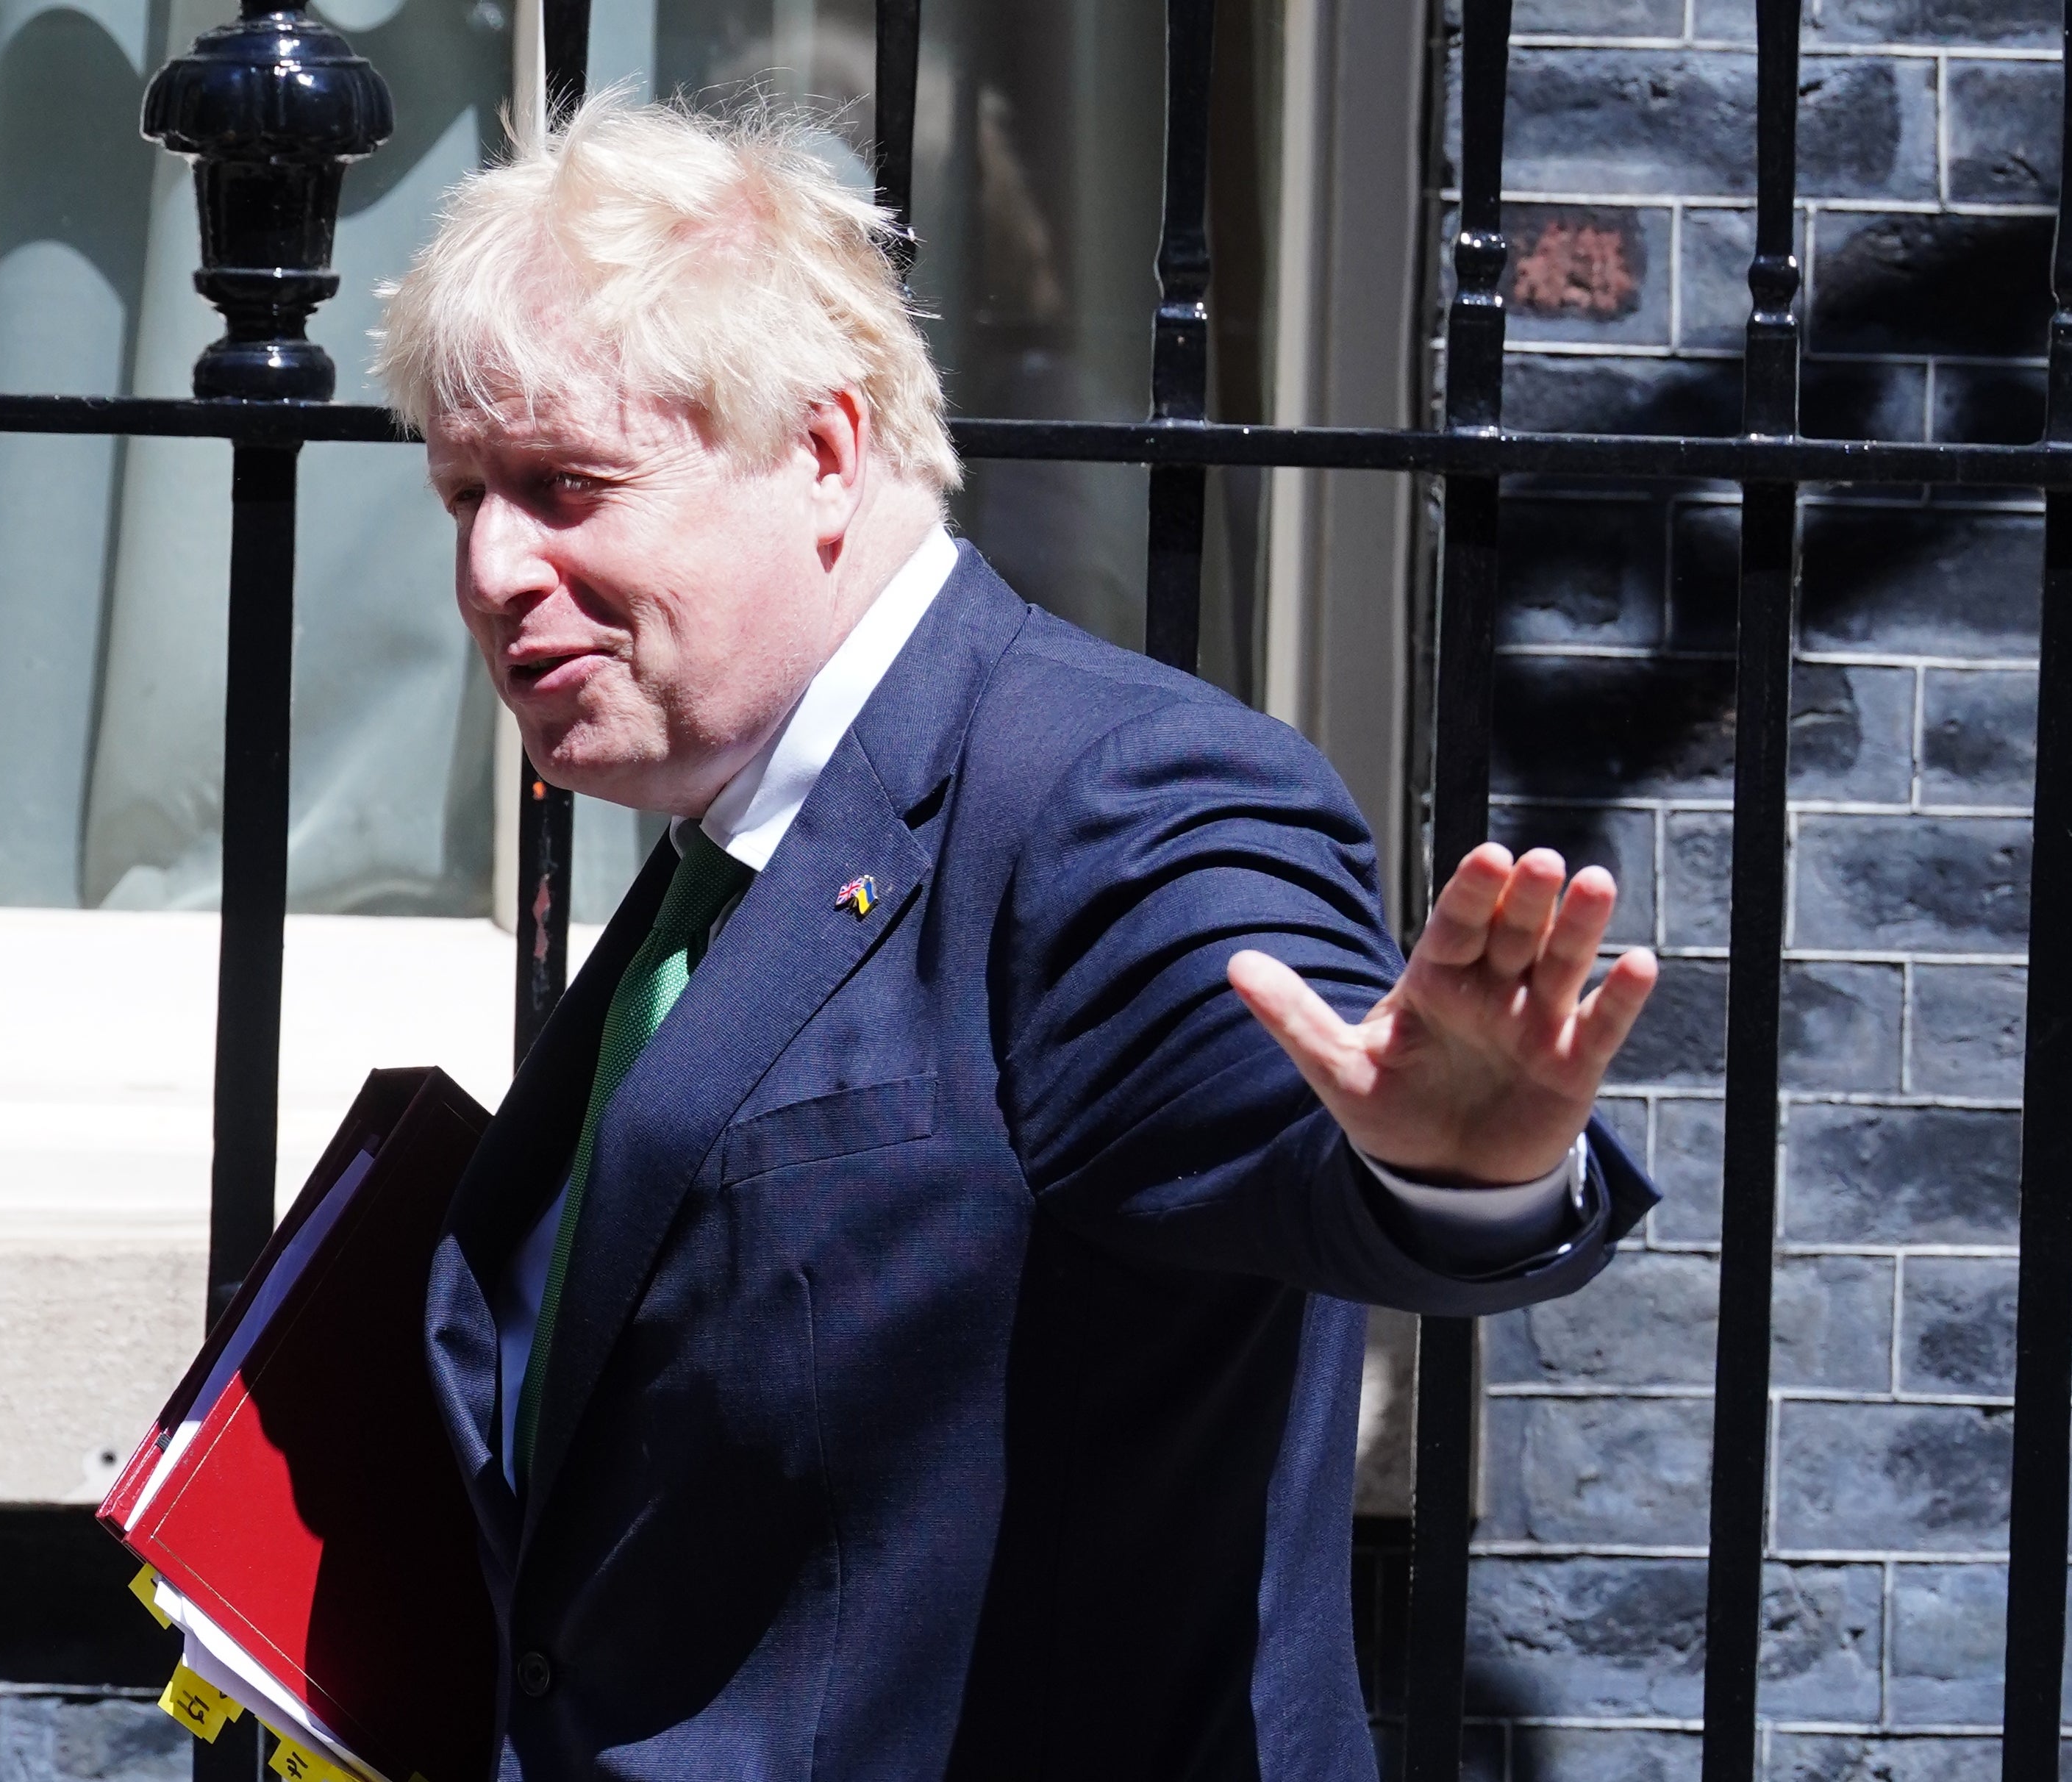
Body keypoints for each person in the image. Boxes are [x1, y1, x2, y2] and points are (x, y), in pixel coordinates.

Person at [376, 99, 1660, 1782]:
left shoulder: (1121, 792)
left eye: (563, 487)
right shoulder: (739, 841)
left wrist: (1446, 1175)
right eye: (463, 496)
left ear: (822, 453)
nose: (491, 569)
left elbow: (1270, 1114)